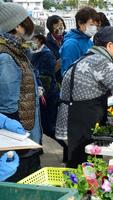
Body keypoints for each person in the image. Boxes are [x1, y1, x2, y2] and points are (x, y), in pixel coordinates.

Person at [55, 26, 113, 168]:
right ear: (110, 45)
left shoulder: (87, 58)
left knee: (84, 162)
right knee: (84, 164)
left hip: (71, 116)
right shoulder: (100, 61)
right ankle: (81, 189)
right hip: (80, 120)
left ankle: (83, 188)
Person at [0, 1, 42, 181]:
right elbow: (8, 106)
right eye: (27, 19)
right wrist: (22, 141)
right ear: (17, 26)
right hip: (19, 144)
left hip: (25, 139)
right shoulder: (6, 56)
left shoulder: (17, 51)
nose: (31, 23)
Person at [30, 34, 68, 163]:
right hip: (41, 96)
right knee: (42, 126)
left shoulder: (47, 54)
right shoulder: (32, 52)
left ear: (40, 40)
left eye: (33, 39)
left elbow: (47, 76)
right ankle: (38, 147)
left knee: (48, 127)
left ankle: (66, 146)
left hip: (48, 96)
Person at [60, 7, 99, 76]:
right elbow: (67, 74)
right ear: (80, 23)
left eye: (96, 25)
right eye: (91, 25)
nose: (94, 28)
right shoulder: (71, 45)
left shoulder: (88, 41)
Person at [45, 15, 67, 84]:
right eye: (56, 25)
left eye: (61, 24)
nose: (60, 27)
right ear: (50, 27)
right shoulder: (46, 43)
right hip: (56, 81)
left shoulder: (68, 38)